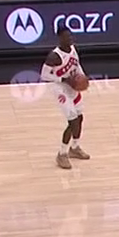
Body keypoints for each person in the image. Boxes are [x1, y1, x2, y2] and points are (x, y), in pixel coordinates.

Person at [40, 25, 90, 170]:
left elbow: (77, 65)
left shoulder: (73, 49)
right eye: (66, 37)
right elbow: (44, 75)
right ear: (60, 38)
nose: (70, 38)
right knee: (73, 120)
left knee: (80, 117)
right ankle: (62, 154)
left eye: (70, 36)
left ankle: (75, 147)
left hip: (72, 85)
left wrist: (83, 77)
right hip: (59, 88)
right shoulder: (54, 56)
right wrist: (63, 79)